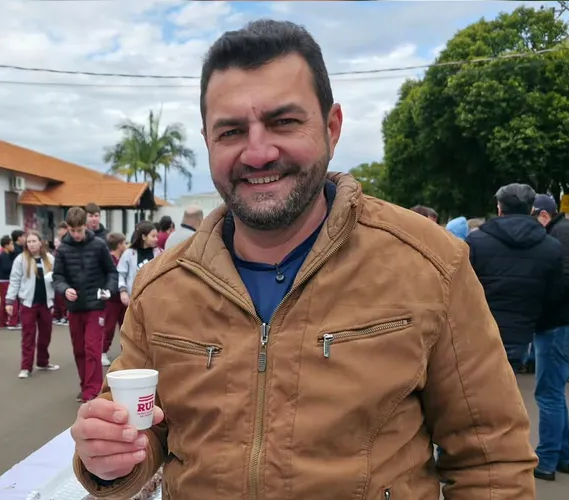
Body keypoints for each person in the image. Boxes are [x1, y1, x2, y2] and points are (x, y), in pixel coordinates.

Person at [70, 19, 535, 498]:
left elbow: (491, 461)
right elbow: (143, 430)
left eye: (284, 122)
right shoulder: (161, 285)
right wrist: (107, 455)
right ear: (208, 140)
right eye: (231, 131)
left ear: (332, 127)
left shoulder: (430, 264)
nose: (257, 152)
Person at [465, 183, 563, 372]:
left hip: (479, 330)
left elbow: (462, 287)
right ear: (531, 209)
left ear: (499, 208)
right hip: (522, 331)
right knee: (508, 381)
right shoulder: (551, 247)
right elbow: (554, 295)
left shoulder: (475, 241)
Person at [529, 193, 569, 481]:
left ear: (544, 215)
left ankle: (547, 460)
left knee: (547, 394)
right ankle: (561, 456)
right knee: (555, 393)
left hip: (557, 324)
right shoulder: (563, 231)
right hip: (562, 323)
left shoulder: (562, 234)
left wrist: (541, 304)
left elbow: (568, 280)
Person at [53, 206, 117, 403]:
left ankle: (93, 391)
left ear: (85, 226)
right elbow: (57, 277)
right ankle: (85, 387)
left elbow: (112, 272)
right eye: (72, 230)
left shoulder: (99, 245)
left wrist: (108, 290)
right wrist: (65, 289)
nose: (76, 234)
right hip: (74, 307)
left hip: (96, 305)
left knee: (92, 348)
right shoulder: (62, 249)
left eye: (79, 230)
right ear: (67, 228)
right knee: (79, 350)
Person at [5, 231, 60, 379]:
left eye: (34, 241)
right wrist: (10, 300)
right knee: (28, 336)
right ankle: (26, 367)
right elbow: (14, 280)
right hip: (28, 304)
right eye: (28, 242)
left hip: (45, 303)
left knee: (45, 335)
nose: (31, 244)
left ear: (40, 242)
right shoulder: (21, 259)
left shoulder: (50, 259)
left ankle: (43, 362)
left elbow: (58, 277)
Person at [116, 221, 161, 312]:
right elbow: (121, 273)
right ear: (143, 237)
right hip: (133, 299)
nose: (156, 239)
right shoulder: (129, 253)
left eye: (157, 236)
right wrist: (123, 291)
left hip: (153, 298)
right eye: (153, 236)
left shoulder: (159, 253)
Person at [103, 232, 128, 366]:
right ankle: (102, 351)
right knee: (109, 327)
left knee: (126, 327)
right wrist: (103, 297)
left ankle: (127, 352)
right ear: (119, 245)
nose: (126, 245)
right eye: (124, 243)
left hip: (124, 299)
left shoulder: (124, 258)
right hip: (111, 300)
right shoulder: (109, 259)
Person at [0, 236, 17, 329]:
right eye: (11, 244)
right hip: (4, 280)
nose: (13, 246)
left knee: (4, 301)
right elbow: (6, 268)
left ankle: (3, 322)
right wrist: (15, 265)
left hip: (4, 280)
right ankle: (8, 322)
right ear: (6, 245)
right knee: (7, 300)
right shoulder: (3, 255)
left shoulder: (8, 255)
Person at [52, 222, 70, 326]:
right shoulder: (62, 241)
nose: (59, 232)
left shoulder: (67, 241)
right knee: (59, 297)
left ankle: (65, 316)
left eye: (60, 229)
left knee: (64, 298)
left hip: (67, 273)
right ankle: (60, 315)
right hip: (60, 272)